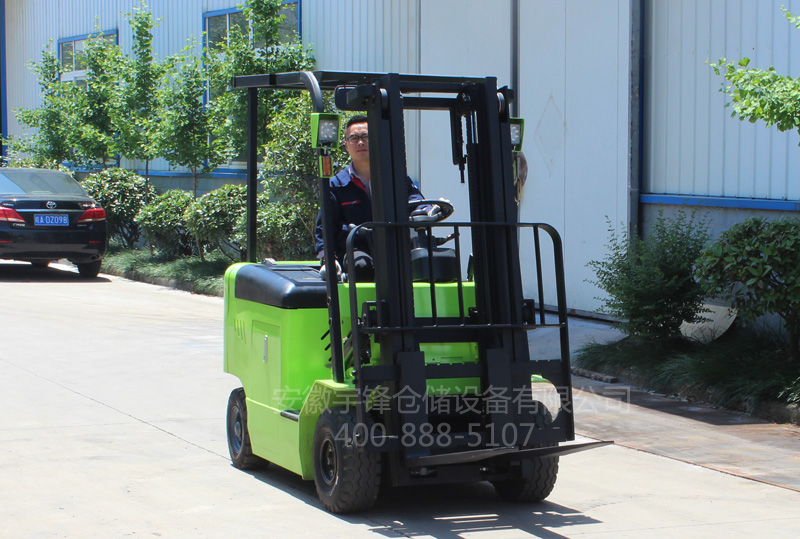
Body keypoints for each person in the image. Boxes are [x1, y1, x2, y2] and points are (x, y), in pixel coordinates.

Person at [315, 115, 433, 281]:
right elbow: (325, 227)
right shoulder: (336, 185)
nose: (361, 143)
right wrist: (328, 259)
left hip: (392, 244)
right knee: (361, 266)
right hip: (357, 247)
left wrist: (428, 210)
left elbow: (415, 202)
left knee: (426, 263)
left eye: (365, 137)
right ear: (346, 145)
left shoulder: (395, 178)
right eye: (354, 138)